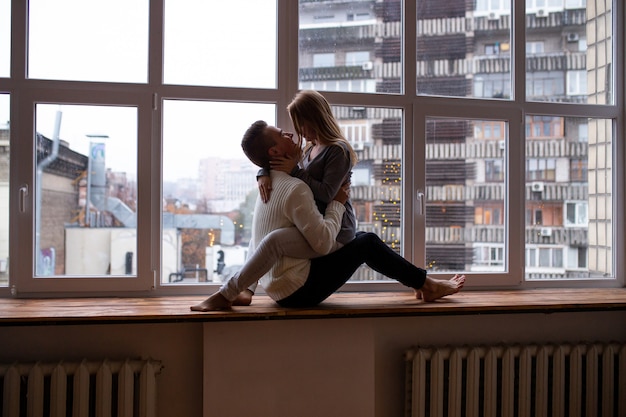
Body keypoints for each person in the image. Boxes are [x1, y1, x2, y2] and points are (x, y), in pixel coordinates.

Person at [190, 120, 464, 311]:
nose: (291, 134)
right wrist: (337, 203)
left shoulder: (270, 182)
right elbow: (320, 244)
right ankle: (427, 285)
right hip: (297, 291)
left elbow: (268, 236)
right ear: (274, 152)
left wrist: (264, 170)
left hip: (276, 285)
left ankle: (421, 283)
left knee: (356, 239)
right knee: (365, 242)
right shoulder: (295, 188)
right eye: (283, 134)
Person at [234, 90, 358, 306]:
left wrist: (296, 171)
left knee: (370, 244)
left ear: (316, 119)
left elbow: (328, 194)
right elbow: (275, 158)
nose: (298, 132)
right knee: (264, 235)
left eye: (302, 125)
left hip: (336, 227)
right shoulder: (310, 148)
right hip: (315, 224)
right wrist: (263, 173)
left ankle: (243, 287)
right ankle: (246, 287)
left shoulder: (338, 150)